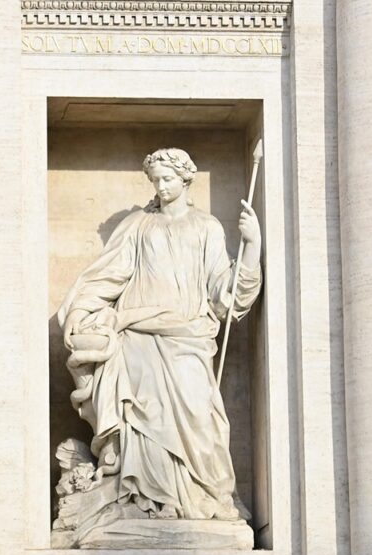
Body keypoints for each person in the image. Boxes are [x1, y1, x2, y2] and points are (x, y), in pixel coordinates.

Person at [57, 147, 262, 522]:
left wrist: (252, 247)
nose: (162, 187)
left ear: (186, 179)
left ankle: (197, 498)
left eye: (168, 179)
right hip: (137, 334)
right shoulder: (138, 225)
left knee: (198, 415)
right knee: (142, 418)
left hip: (187, 337)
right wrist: (81, 308)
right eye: (156, 181)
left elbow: (225, 292)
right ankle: (143, 500)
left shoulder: (206, 227)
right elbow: (110, 274)